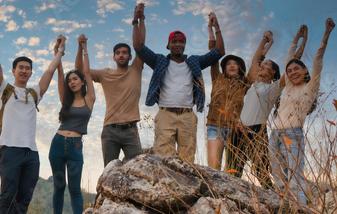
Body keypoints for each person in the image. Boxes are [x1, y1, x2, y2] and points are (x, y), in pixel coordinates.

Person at [0, 19, 65, 213]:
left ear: (30, 73)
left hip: (32, 154)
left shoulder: (34, 94)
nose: (24, 70)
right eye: (20, 67)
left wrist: (60, 52)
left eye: (27, 68)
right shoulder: (5, 91)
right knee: (6, 199)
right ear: (14, 71)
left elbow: (50, 71)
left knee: (23, 202)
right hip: (10, 152)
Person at [134, 12, 225, 163]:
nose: (178, 44)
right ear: (168, 45)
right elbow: (138, 47)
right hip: (165, 114)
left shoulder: (194, 62)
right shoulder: (159, 61)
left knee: (187, 159)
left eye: (181, 42)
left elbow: (220, 52)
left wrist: (216, 27)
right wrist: (136, 20)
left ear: (185, 45)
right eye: (174, 41)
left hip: (187, 116)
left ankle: (185, 187)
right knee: (163, 159)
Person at [269, 18, 334, 205]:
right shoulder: (288, 86)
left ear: (304, 70)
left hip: (293, 134)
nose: (292, 72)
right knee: (277, 174)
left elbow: (318, 59)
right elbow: (289, 57)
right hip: (275, 134)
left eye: (296, 69)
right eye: (289, 71)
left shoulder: (311, 87)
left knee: (294, 174)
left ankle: (301, 207)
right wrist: (296, 37)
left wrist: (326, 34)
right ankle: (284, 204)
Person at [80, 3, 145, 167]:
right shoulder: (105, 74)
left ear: (130, 57)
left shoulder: (136, 69)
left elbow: (140, 45)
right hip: (110, 131)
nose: (121, 55)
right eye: (118, 53)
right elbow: (82, 71)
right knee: (110, 172)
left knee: (137, 171)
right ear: (114, 57)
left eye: (124, 53)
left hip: (131, 131)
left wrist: (139, 20)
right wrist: (81, 49)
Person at [225, 30, 287, 189]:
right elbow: (255, 60)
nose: (262, 66)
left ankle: (275, 201)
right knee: (233, 170)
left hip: (257, 132)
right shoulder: (255, 84)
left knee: (261, 172)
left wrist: (299, 41)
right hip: (239, 129)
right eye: (262, 64)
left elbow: (292, 66)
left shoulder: (274, 88)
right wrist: (265, 41)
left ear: (273, 72)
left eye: (266, 65)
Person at [49, 34, 95, 214]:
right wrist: (59, 52)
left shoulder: (89, 98)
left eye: (75, 79)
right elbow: (59, 73)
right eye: (70, 81)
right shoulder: (64, 99)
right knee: (59, 187)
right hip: (57, 144)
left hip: (76, 147)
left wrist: (84, 48)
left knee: (75, 189)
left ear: (82, 81)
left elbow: (88, 72)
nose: (72, 82)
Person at [205, 16, 249, 170]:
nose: (232, 65)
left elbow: (257, 66)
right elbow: (213, 52)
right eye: (228, 63)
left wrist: (265, 45)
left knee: (232, 169)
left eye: (235, 63)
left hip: (234, 129)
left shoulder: (244, 84)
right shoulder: (217, 77)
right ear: (224, 67)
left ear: (239, 67)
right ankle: (211, 194)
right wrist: (213, 28)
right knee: (213, 167)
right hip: (215, 126)